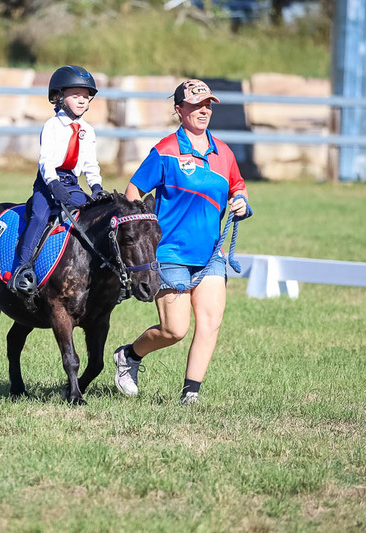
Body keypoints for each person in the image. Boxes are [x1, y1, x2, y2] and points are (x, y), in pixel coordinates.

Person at [113, 79, 252, 405]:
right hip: (170, 253)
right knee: (174, 330)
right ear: (179, 110)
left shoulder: (224, 153)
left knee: (210, 322)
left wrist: (242, 202)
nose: (203, 111)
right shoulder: (165, 151)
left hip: (211, 253)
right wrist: (140, 234)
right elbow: (134, 192)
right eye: (195, 106)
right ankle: (129, 356)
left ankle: (190, 395)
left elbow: (238, 187)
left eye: (207, 105)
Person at [8, 65, 109, 296]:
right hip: (48, 182)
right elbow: (45, 161)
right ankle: (22, 268)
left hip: (72, 183)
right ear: (59, 98)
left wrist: (96, 187)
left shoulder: (87, 131)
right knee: (40, 216)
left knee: (91, 218)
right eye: (76, 96)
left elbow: (90, 163)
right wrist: (54, 186)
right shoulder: (52, 126)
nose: (82, 101)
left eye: (85, 97)